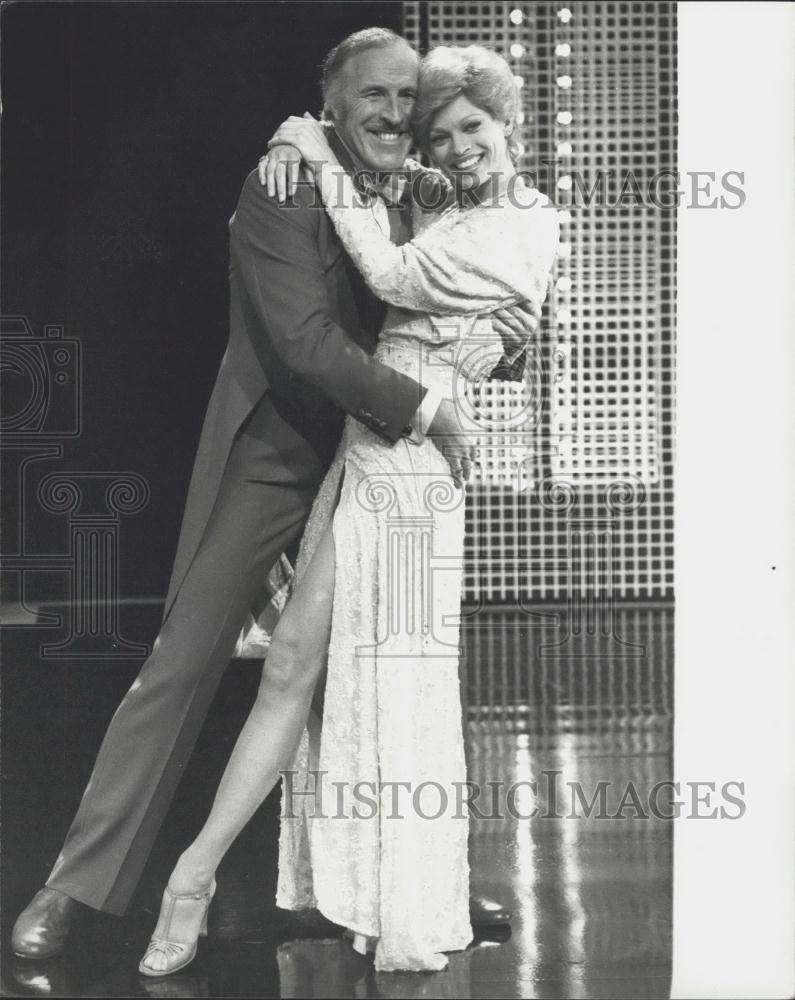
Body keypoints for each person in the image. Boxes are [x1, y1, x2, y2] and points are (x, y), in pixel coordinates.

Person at [11, 28, 515, 964]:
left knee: (392, 668)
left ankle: (415, 887)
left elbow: (476, 297)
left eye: (409, 98)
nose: (395, 115)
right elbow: (305, 344)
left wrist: (507, 337)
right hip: (279, 453)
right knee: (184, 661)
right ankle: (74, 886)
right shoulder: (279, 186)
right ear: (330, 103)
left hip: (377, 465)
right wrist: (426, 408)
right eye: (373, 95)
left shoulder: (423, 190)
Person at [136, 43, 559, 976]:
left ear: (507, 125)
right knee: (299, 668)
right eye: (441, 134)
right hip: (379, 452)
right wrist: (298, 136)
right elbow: (475, 334)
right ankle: (229, 881)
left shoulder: (526, 222)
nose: (457, 147)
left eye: (472, 127)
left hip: (408, 477)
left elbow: (390, 279)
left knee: (382, 684)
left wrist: (311, 146)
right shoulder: (457, 206)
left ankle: (377, 892)